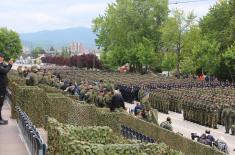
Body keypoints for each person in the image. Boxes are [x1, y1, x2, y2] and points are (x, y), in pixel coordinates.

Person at [0, 52, 13, 125]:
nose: (2, 58)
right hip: (0, 88)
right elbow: (4, 70)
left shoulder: (1, 64)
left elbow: (4, 67)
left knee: (1, 104)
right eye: (1, 57)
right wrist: (10, 65)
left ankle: (0, 118)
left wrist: (8, 64)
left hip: (2, 88)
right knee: (0, 104)